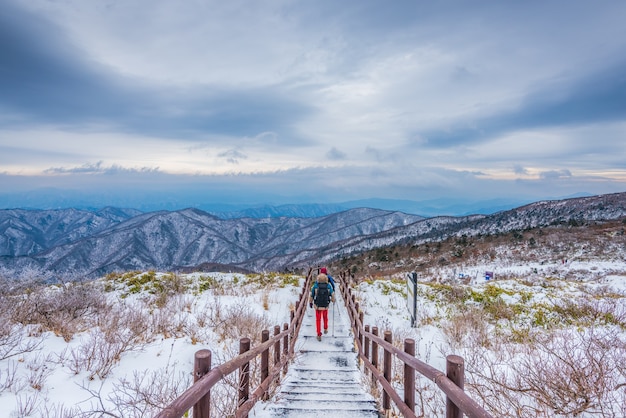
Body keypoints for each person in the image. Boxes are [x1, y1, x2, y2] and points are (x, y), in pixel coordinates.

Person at [310, 272, 334, 341]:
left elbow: (312, 295)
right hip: (325, 305)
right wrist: (332, 300)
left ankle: (318, 334)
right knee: (325, 317)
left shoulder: (315, 286)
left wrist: (310, 302)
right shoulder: (328, 286)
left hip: (317, 305)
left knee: (318, 319)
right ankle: (325, 328)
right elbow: (332, 294)